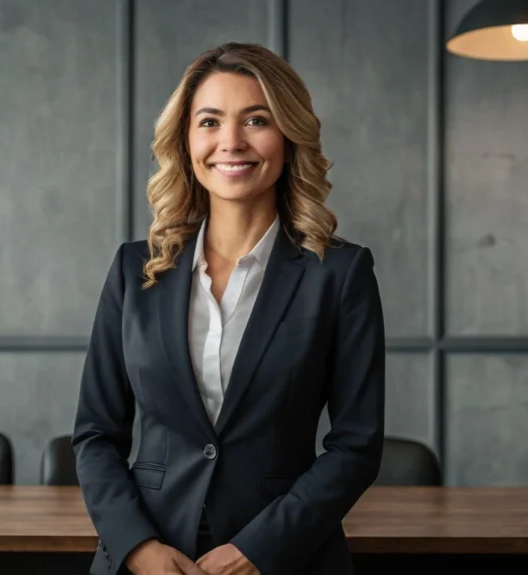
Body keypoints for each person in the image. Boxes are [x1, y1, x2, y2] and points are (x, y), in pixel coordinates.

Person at [72, 42, 385, 575]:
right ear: (187, 140)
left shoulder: (340, 273)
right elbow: (96, 434)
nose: (231, 142)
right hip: (145, 555)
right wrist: (138, 547)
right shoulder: (134, 269)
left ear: (288, 135)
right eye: (210, 122)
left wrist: (260, 551)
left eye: (256, 120)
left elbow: (356, 445)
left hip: (286, 558)